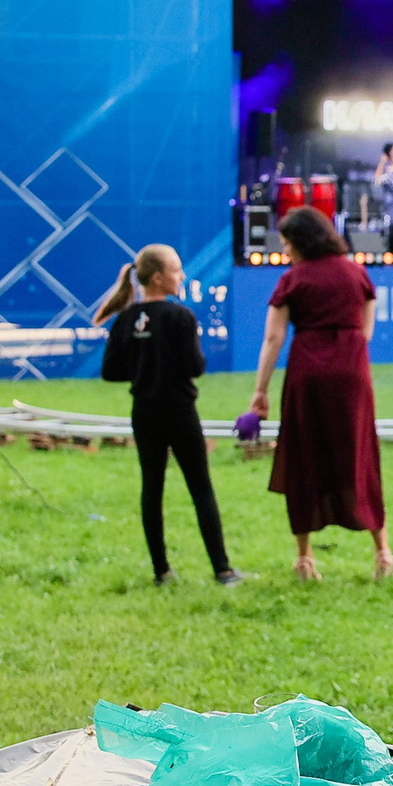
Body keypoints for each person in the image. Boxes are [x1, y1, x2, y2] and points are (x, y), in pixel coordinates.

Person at [246, 206, 392, 580]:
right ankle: (382, 551)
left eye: (288, 243)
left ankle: (305, 557)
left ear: (301, 242)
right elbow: (366, 331)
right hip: (351, 375)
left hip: (307, 376)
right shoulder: (357, 273)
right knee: (360, 455)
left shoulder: (292, 280)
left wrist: (260, 391)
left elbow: (273, 337)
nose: (286, 250)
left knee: (304, 459)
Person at [96, 245, 246, 586]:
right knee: (200, 488)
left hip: (144, 413)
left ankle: (161, 571)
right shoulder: (180, 318)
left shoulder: (126, 319)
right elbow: (195, 366)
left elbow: (110, 371)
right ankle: (222, 569)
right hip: (179, 411)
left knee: (152, 488)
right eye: (177, 270)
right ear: (159, 277)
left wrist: (143, 370)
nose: (182, 276)